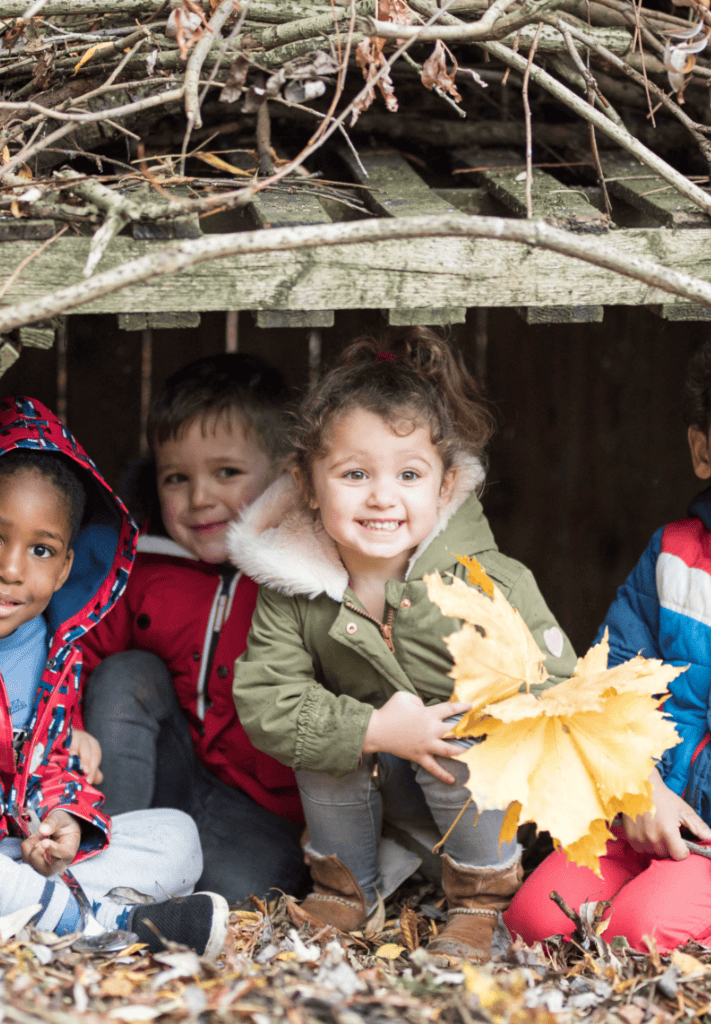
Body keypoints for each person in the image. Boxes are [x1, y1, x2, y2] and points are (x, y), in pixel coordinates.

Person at [228, 328, 577, 962]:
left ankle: (480, 903)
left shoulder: (485, 579)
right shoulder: (290, 586)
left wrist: (473, 720)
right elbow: (265, 698)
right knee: (325, 731)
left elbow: (555, 684)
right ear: (309, 485)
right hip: (374, 800)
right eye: (354, 473)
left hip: (477, 805)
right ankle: (345, 891)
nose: (383, 496)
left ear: (445, 488)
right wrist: (376, 729)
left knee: (464, 730)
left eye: (409, 474)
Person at [505, 322, 711, 953]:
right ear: (702, 451)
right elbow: (608, 681)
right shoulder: (672, 555)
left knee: (638, 933)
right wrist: (637, 786)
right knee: (535, 921)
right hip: (651, 818)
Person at [0, 395, 228, 957]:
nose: (10, 569)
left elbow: (47, 765)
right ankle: (107, 926)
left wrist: (63, 819)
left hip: (14, 855)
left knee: (177, 838)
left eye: (40, 549)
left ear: (65, 569)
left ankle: (43, 911)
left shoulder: (54, 653)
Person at [77, 354, 306, 905]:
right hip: (164, 778)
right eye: (177, 478)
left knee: (234, 897)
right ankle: (112, 865)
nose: (199, 498)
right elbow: (80, 649)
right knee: (127, 671)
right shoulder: (146, 564)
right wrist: (64, 728)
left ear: (284, 473)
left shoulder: (304, 572)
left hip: (263, 812)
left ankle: (151, 892)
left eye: (226, 473)